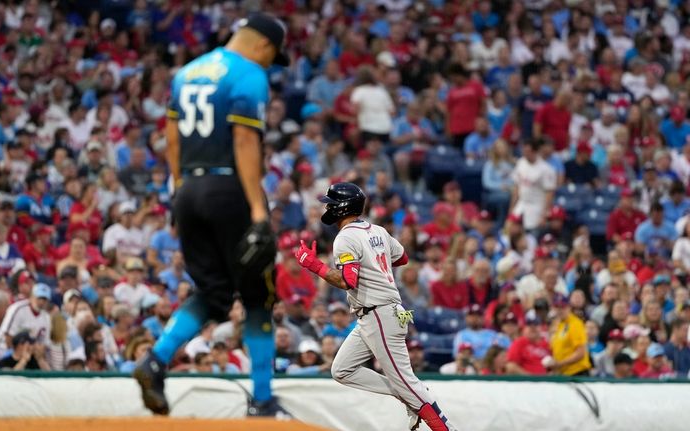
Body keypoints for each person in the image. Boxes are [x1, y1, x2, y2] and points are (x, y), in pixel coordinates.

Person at [134, 13, 290, 418]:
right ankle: (261, 398)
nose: (271, 63)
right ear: (261, 44)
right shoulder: (250, 74)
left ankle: (155, 359)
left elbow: (171, 135)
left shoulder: (187, 72)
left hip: (188, 190)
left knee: (213, 293)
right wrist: (258, 210)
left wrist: (176, 186)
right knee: (258, 295)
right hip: (228, 191)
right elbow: (244, 140)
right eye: (273, 55)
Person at [294, 183, 457, 430]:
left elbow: (349, 281)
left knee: (408, 383)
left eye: (331, 202)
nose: (327, 206)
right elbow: (402, 257)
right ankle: (408, 397)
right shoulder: (377, 230)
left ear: (342, 207)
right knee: (342, 370)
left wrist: (315, 266)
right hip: (378, 313)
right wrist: (373, 259)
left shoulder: (345, 237)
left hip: (379, 313)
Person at [0, 283, 52, 359]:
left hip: (26, 354)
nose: (41, 302)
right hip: (3, 350)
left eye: (44, 299)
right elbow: (8, 337)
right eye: (39, 298)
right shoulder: (18, 309)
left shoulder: (46, 317)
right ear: (32, 297)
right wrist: (14, 357)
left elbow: (44, 343)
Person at [548, 295, 591, 376]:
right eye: (557, 307)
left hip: (577, 373)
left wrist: (560, 363)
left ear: (569, 307)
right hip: (565, 374)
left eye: (562, 307)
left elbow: (580, 353)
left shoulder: (575, 324)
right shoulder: (560, 324)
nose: (560, 310)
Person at [505, 311, 551, 375]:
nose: (532, 328)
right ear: (524, 328)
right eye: (529, 325)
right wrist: (530, 378)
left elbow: (552, 366)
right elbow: (510, 366)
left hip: (545, 382)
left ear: (541, 327)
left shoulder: (547, 344)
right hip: (525, 382)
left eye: (535, 324)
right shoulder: (519, 343)